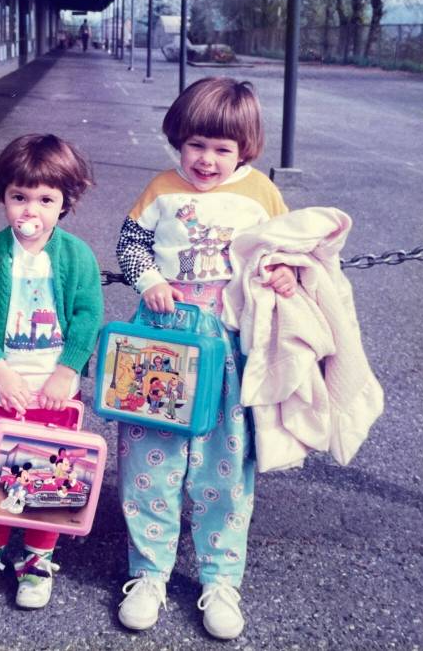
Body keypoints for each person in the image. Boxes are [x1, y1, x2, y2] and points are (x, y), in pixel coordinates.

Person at [113, 77, 295, 640]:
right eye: (196, 145)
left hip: (230, 344)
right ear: (178, 140)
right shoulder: (161, 188)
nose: (207, 160)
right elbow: (129, 243)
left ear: (245, 148)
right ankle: (149, 574)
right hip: (163, 339)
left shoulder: (261, 193)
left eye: (222, 149)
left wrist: (286, 272)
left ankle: (220, 578)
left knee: (225, 465)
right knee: (151, 461)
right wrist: (147, 280)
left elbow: (283, 250)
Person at [0, 134, 104, 609]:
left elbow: (87, 314)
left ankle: (37, 560)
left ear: (65, 204)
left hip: (56, 389)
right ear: (4, 197)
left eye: (45, 199)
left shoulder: (76, 255)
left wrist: (68, 370)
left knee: (53, 472)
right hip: (4, 388)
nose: (30, 209)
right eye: (19, 197)